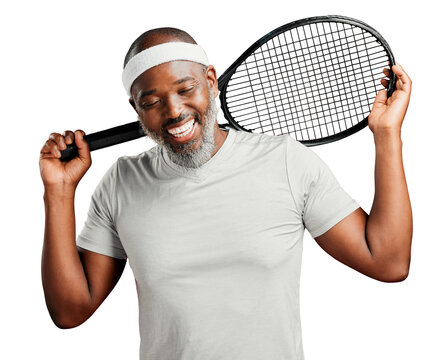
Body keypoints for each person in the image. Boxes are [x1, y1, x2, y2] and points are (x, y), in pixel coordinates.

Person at [40, 27, 413, 359]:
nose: (174, 110)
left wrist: (387, 136)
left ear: (212, 81)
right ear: (135, 108)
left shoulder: (285, 162)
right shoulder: (122, 182)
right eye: (151, 102)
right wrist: (58, 192)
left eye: (185, 89)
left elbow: (388, 262)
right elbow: (70, 311)